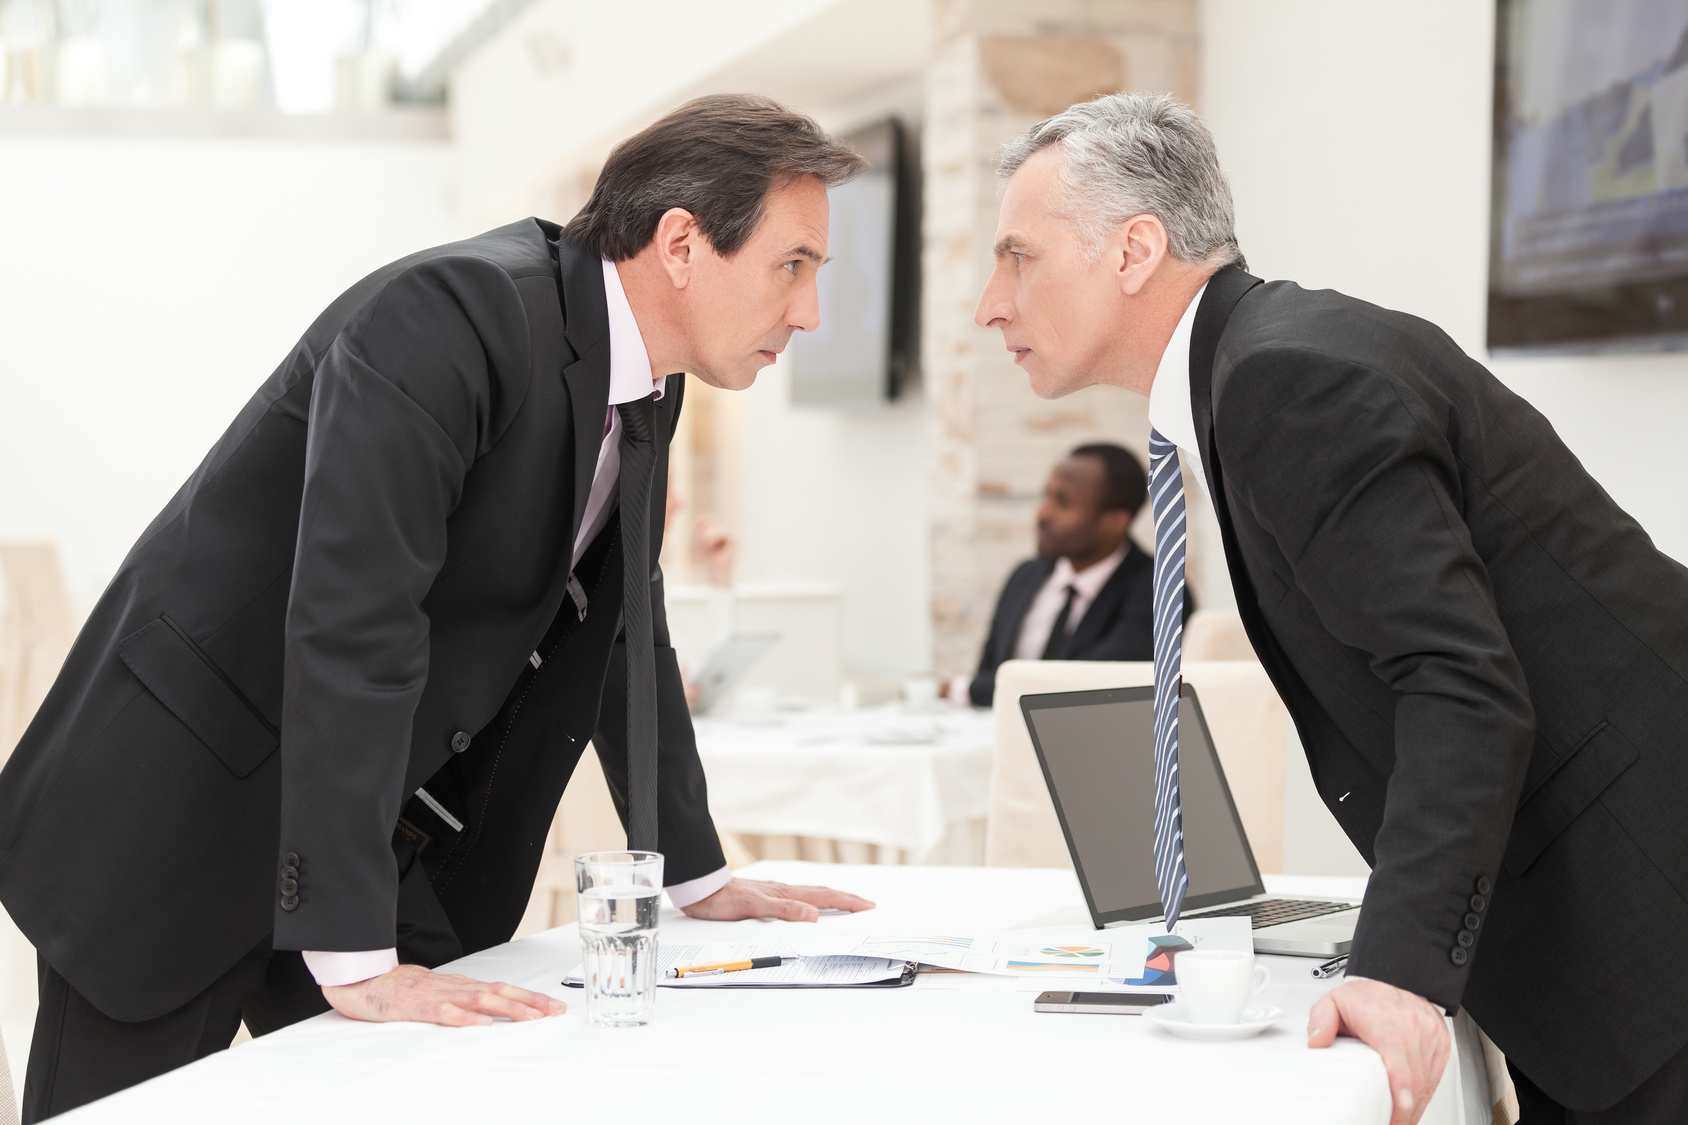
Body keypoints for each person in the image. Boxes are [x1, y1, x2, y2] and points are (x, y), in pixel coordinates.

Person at [0, 94, 875, 1120]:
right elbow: (356, 617)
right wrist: (355, 950)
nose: (809, 312)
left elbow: (623, 626)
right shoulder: (452, 315)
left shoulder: (648, 383)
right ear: (681, 244)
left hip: (352, 826)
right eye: (792, 266)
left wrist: (692, 873)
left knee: (436, 1088)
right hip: (175, 808)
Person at [975, 91, 1688, 1125]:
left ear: (1133, 250)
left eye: (1017, 257)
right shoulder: (1263, 358)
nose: (990, 303)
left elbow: (1459, 684)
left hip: (1642, 897)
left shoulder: (1286, 377)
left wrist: (1396, 969)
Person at [953, 443, 1174, 707]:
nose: (1043, 512)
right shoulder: (1024, 576)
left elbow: (1081, 688)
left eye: (1063, 502)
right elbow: (989, 670)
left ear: (1115, 522)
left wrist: (962, 690)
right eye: (1046, 495)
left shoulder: (1159, 591)